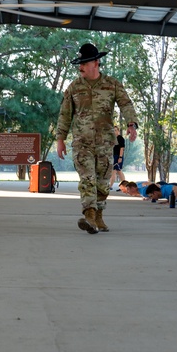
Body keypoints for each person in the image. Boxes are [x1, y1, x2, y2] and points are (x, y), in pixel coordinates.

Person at [55, 43, 138, 234]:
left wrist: (131, 124)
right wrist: (60, 139)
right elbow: (65, 114)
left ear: (96, 63)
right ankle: (89, 215)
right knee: (87, 178)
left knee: (102, 181)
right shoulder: (74, 87)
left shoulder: (112, 84)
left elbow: (126, 104)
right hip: (82, 142)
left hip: (105, 143)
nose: (80, 67)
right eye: (80, 63)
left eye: (84, 63)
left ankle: (99, 215)